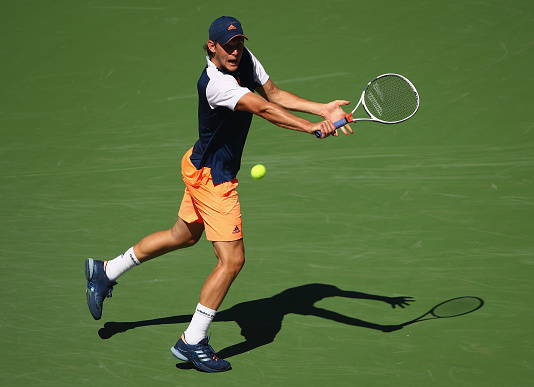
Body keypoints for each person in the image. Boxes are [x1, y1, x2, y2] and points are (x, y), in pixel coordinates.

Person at [85, 15, 352, 373]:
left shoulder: (244, 58)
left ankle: (106, 270)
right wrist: (310, 127)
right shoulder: (215, 84)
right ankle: (192, 340)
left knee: (182, 236)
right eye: (228, 46)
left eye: (239, 43)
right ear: (212, 47)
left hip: (199, 165)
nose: (236, 51)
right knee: (232, 260)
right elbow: (265, 109)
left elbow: (273, 93)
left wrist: (323, 109)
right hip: (214, 179)